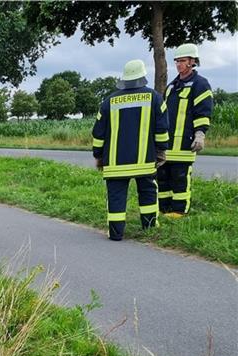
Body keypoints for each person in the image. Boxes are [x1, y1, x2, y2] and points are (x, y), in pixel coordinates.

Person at [91, 59, 169, 241]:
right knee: (148, 193)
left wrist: (98, 156)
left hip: (115, 164)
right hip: (145, 162)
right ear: (142, 76)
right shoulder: (155, 98)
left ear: (124, 79)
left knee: (116, 197)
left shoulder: (108, 101)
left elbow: (98, 133)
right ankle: (149, 229)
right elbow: (162, 130)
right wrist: (161, 151)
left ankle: (116, 233)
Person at [157, 43, 213, 217]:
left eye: (182, 61)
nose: (179, 64)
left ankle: (179, 211)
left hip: (184, 144)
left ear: (192, 62)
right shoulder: (172, 87)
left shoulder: (200, 84)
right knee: (163, 178)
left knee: (180, 178)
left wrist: (200, 133)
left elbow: (203, 112)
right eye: (177, 61)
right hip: (168, 144)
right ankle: (164, 208)